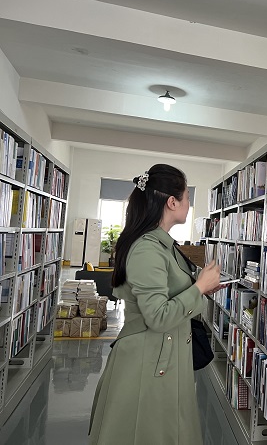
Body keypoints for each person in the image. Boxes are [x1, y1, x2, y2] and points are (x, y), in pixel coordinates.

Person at [89, 164, 222, 445]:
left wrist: (202, 286)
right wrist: (199, 287)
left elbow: (169, 288)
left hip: (163, 355)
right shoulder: (148, 248)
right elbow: (158, 316)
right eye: (187, 197)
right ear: (172, 202)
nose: (188, 204)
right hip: (148, 360)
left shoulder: (162, 245)